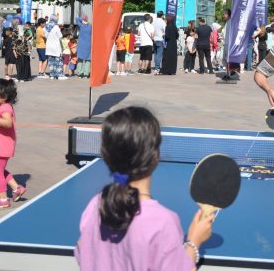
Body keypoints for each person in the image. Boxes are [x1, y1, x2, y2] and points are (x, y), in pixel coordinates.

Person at [74, 107, 213, 270]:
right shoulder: (162, 222)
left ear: (106, 155)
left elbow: (84, 254)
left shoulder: (95, 206)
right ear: (155, 156)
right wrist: (194, 242)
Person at [0, 78, 27, 208]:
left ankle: (3, 199)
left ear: (5, 96)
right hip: (1, 145)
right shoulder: (2, 106)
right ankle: (16, 188)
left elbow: (8, 123)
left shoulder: (5, 108)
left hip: (2, 146)